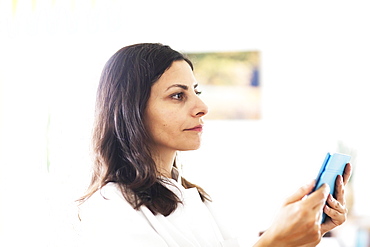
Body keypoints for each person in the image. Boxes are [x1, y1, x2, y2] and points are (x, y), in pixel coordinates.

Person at [77, 43, 352, 246]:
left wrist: (297, 230)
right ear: (131, 108)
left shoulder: (193, 198)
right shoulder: (109, 208)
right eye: (177, 96)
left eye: (196, 92)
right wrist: (276, 241)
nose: (202, 107)